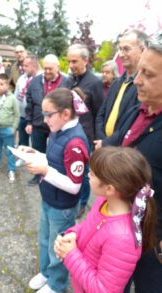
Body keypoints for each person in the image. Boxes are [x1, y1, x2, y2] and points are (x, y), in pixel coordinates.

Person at [94, 31, 162, 293]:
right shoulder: (137, 110)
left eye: (148, 74)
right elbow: (115, 146)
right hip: (119, 231)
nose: (137, 81)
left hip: (152, 244)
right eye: (138, 72)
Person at [54, 146, 156, 293]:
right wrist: (74, 234)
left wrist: (71, 255)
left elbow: (104, 290)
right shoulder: (104, 201)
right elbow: (90, 225)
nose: (88, 175)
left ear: (110, 189)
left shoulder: (122, 238)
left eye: (93, 174)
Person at [21, 87, 89, 293]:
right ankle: (46, 272)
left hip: (63, 206)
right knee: (44, 239)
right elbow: (54, 160)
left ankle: (57, 283)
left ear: (66, 114)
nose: (44, 120)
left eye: (48, 114)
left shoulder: (75, 142)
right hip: (49, 198)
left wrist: (45, 171)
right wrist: (36, 153)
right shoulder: (58, 131)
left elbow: (75, 185)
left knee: (57, 246)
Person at [66, 43, 104, 218]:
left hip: (86, 137)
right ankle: (71, 196)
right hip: (68, 133)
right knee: (70, 168)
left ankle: (82, 203)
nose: (71, 65)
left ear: (86, 60)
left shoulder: (95, 82)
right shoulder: (69, 80)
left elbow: (99, 112)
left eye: (74, 61)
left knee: (83, 171)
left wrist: (97, 139)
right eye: (69, 61)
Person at [95, 30, 148, 144]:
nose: (121, 54)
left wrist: (106, 143)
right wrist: (102, 139)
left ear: (143, 50)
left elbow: (134, 122)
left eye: (126, 49)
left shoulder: (144, 86)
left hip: (122, 152)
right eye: (120, 49)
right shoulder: (116, 83)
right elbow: (101, 114)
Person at [25, 54, 67, 185]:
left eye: (50, 68)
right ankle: (38, 176)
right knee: (37, 150)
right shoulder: (36, 81)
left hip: (58, 125)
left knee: (56, 152)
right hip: (38, 123)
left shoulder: (66, 82)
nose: (47, 71)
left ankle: (54, 175)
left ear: (58, 67)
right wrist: (29, 122)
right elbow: (29, 102)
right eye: (45, 68)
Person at [14, 54, 39, 167]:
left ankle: (35, 160)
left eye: (26, 65)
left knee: (36, 141)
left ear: (34, 66)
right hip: (22, 115)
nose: (23, 68)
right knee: (22, 138)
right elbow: (16, 95)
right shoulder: (21, 78)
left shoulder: (40, 78)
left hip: (35, 117)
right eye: (23, 65)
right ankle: (22, 158)